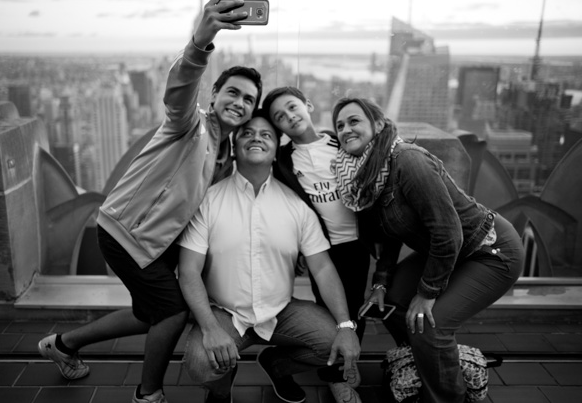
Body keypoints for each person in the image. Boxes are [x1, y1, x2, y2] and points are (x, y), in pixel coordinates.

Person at [37, 0, 263, 403]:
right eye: (233, 93)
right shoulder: (190, 126)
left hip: (157, 245)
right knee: (172, 312)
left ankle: (63, 345)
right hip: (127, 234)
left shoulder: (227, 154)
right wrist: (201, 40)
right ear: (214, 96)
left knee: (148, 314)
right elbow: (179, 91)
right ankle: (149, 394)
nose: (240, 103)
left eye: (249, 100)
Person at [331, 97, 525, 403]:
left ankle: (446, 394)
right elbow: (388, 233)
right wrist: (381, 281)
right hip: (451, 250)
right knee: (394, 302)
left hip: (490, 250)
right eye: (339, 125)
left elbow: (449, 232)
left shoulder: (407, 160)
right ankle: (426, 366)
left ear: (378, 125)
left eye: (354, 121)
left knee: (429, 328)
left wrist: (427, 293)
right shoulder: (362, 174)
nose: (345, 129)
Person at [177, 112, 362, 403]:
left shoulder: (297, 206)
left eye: (266, 135)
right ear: (235, 147)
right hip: (224, 313)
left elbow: (324, 269)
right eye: (247, 133)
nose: (256, 138)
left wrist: (346, 325)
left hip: (281, 312)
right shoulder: (209, 200)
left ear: (276, 149)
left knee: (332, 343)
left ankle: (276, 365)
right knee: (201, 365)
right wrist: (210, 328)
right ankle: (222, 390)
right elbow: (188, 270)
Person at [262, 86, 372, 402]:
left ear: (308, 105)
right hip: (322, 249)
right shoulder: (282, 160)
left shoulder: (339, 142)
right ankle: (335, 376)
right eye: (279, 117)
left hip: (357, 242)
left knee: (357, 309)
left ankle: (343, 364)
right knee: (332, 313)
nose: (289, 117)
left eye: (292, 108)